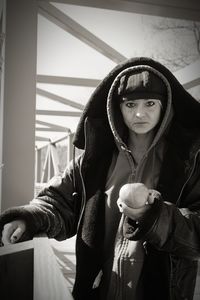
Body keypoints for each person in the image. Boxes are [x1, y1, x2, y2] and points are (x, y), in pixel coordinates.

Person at [1, 57, 200, 300]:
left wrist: (155, 218)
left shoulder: (188, 164)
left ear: (165, 106)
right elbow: (57, 201)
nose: (140, 113)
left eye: (150, 103)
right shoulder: (93, 161)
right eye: (130, 105)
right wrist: (27, 220)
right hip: (97, 291)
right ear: (117, 108)